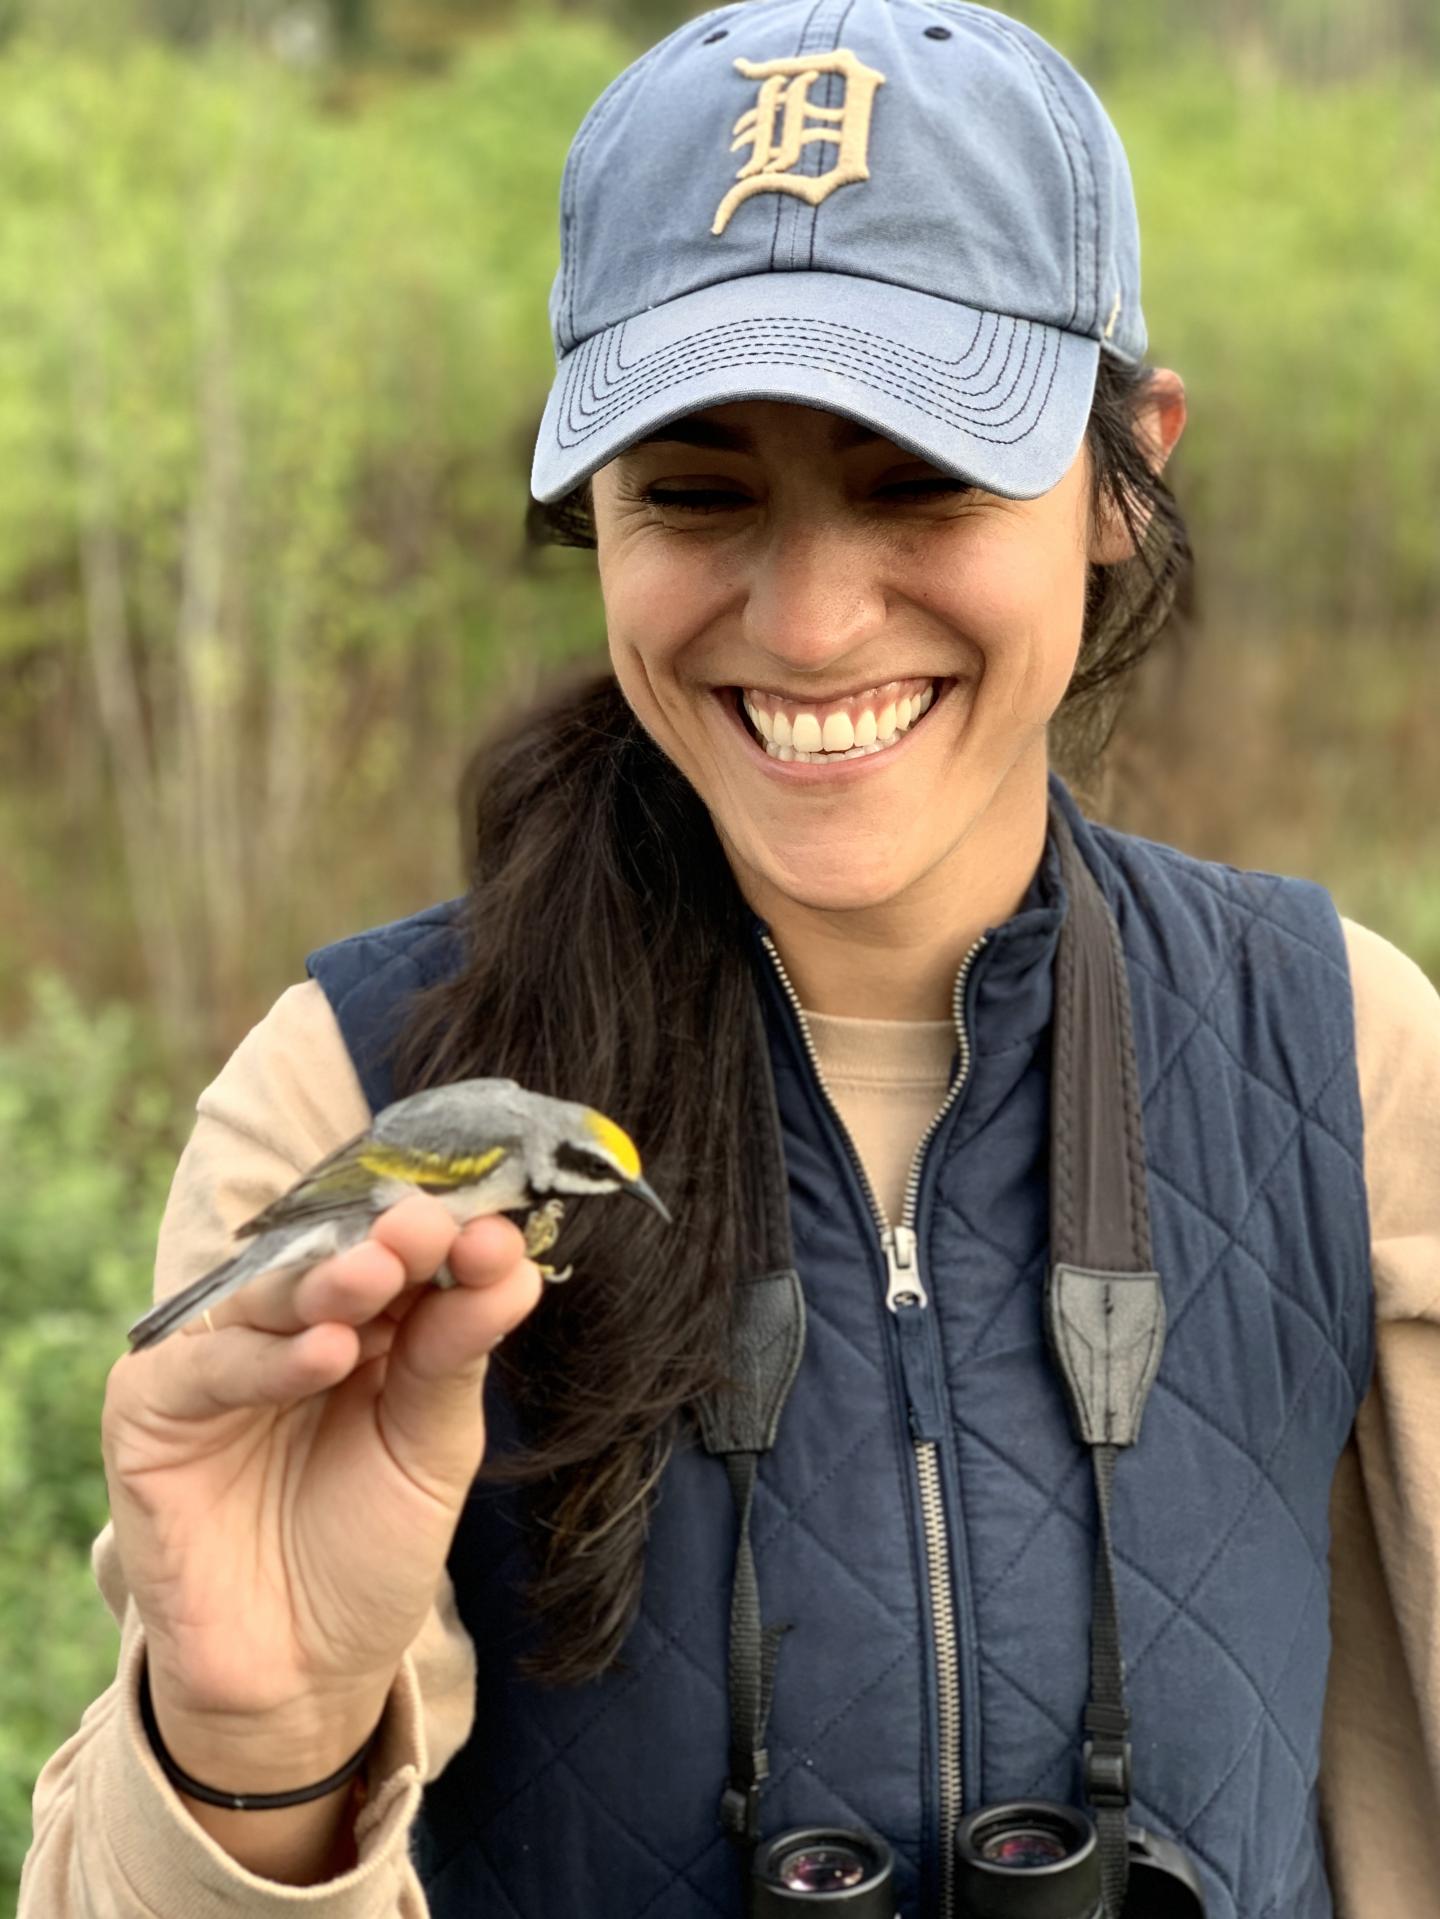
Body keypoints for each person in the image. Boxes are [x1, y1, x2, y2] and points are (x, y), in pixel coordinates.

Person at [19, 2, 1440, 1915]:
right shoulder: (345, 1096)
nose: (812, 614)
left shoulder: (1342, 1056)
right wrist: (254, 1754)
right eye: (694, 493)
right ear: (585, 513)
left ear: (1125, 474)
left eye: (919, 477)